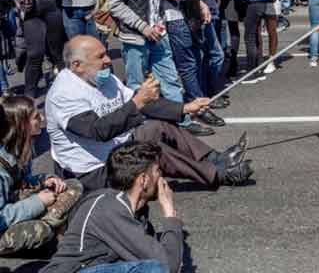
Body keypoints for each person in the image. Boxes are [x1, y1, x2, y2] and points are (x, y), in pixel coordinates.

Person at [45, 35, 253, 192]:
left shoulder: (102, 77)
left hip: (115, 148)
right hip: (93, 171)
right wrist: (137, 102)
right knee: (152, 152)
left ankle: (217, 158)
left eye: (106, 53)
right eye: (101, 56)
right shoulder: (64, 93)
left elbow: (142, 104)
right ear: (76, 65)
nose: (108, 60)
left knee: (157, 127)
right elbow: (98, 131)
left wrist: (185, 108)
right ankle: (218, 174)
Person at [109, 0, 220, 132]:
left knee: (170, 80)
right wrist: (144, 27)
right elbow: (116, 4)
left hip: (158, 34)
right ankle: (135, 131)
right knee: (137, 86)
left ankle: (184, 122)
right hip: (135, 38)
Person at [41, 142, 182, 273]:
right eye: (157, 171)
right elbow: (168, 264)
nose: (161, 177)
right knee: (154, 269)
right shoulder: (110, 207)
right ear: (143, 180)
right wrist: (170, 214)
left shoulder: (133, 210)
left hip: (94, 268)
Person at [154, 0, 215, 137]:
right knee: (185, 65)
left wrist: (199, 4)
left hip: (183, 13)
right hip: (171, 16)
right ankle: (195, 108)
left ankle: (195, 106)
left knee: (189, 62)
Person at [0, 97, 82, 256]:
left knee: (72, 185)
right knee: (40, 231)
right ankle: (52, 227)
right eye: (36, 117)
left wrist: (44, 179)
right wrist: (38, 202)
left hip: (13, 200)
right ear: (22, 124)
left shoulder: (19, 148)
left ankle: (52, 223)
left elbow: (20, 182)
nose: (42, 118)